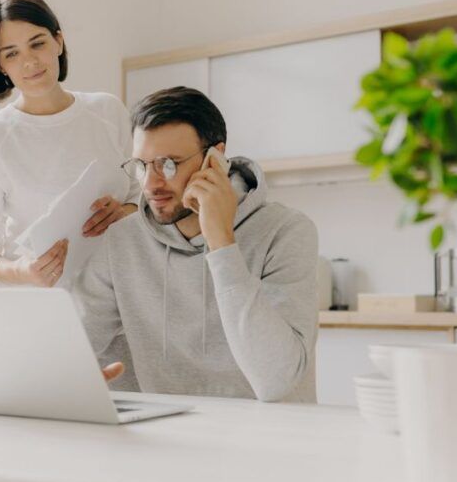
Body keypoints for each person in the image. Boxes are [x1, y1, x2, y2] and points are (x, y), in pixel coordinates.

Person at [74, 86, 319, 402]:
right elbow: (71, 346)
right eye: (142, 165)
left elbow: (276, 381)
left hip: (267, 440)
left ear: (215, 159)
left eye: (168, 164)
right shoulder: (123, 241)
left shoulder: (285, 231)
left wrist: (221, 242)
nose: (150, 184)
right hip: (172, 439)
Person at [0, 0, 139, 287]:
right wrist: (20, 271)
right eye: (12, 53)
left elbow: (142, 195)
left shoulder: (108, 111)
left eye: (37, 43)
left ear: (58, 41)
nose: (29, 61)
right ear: (1, 65)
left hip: (113, 297)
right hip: (36, 305)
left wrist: (125, 212)